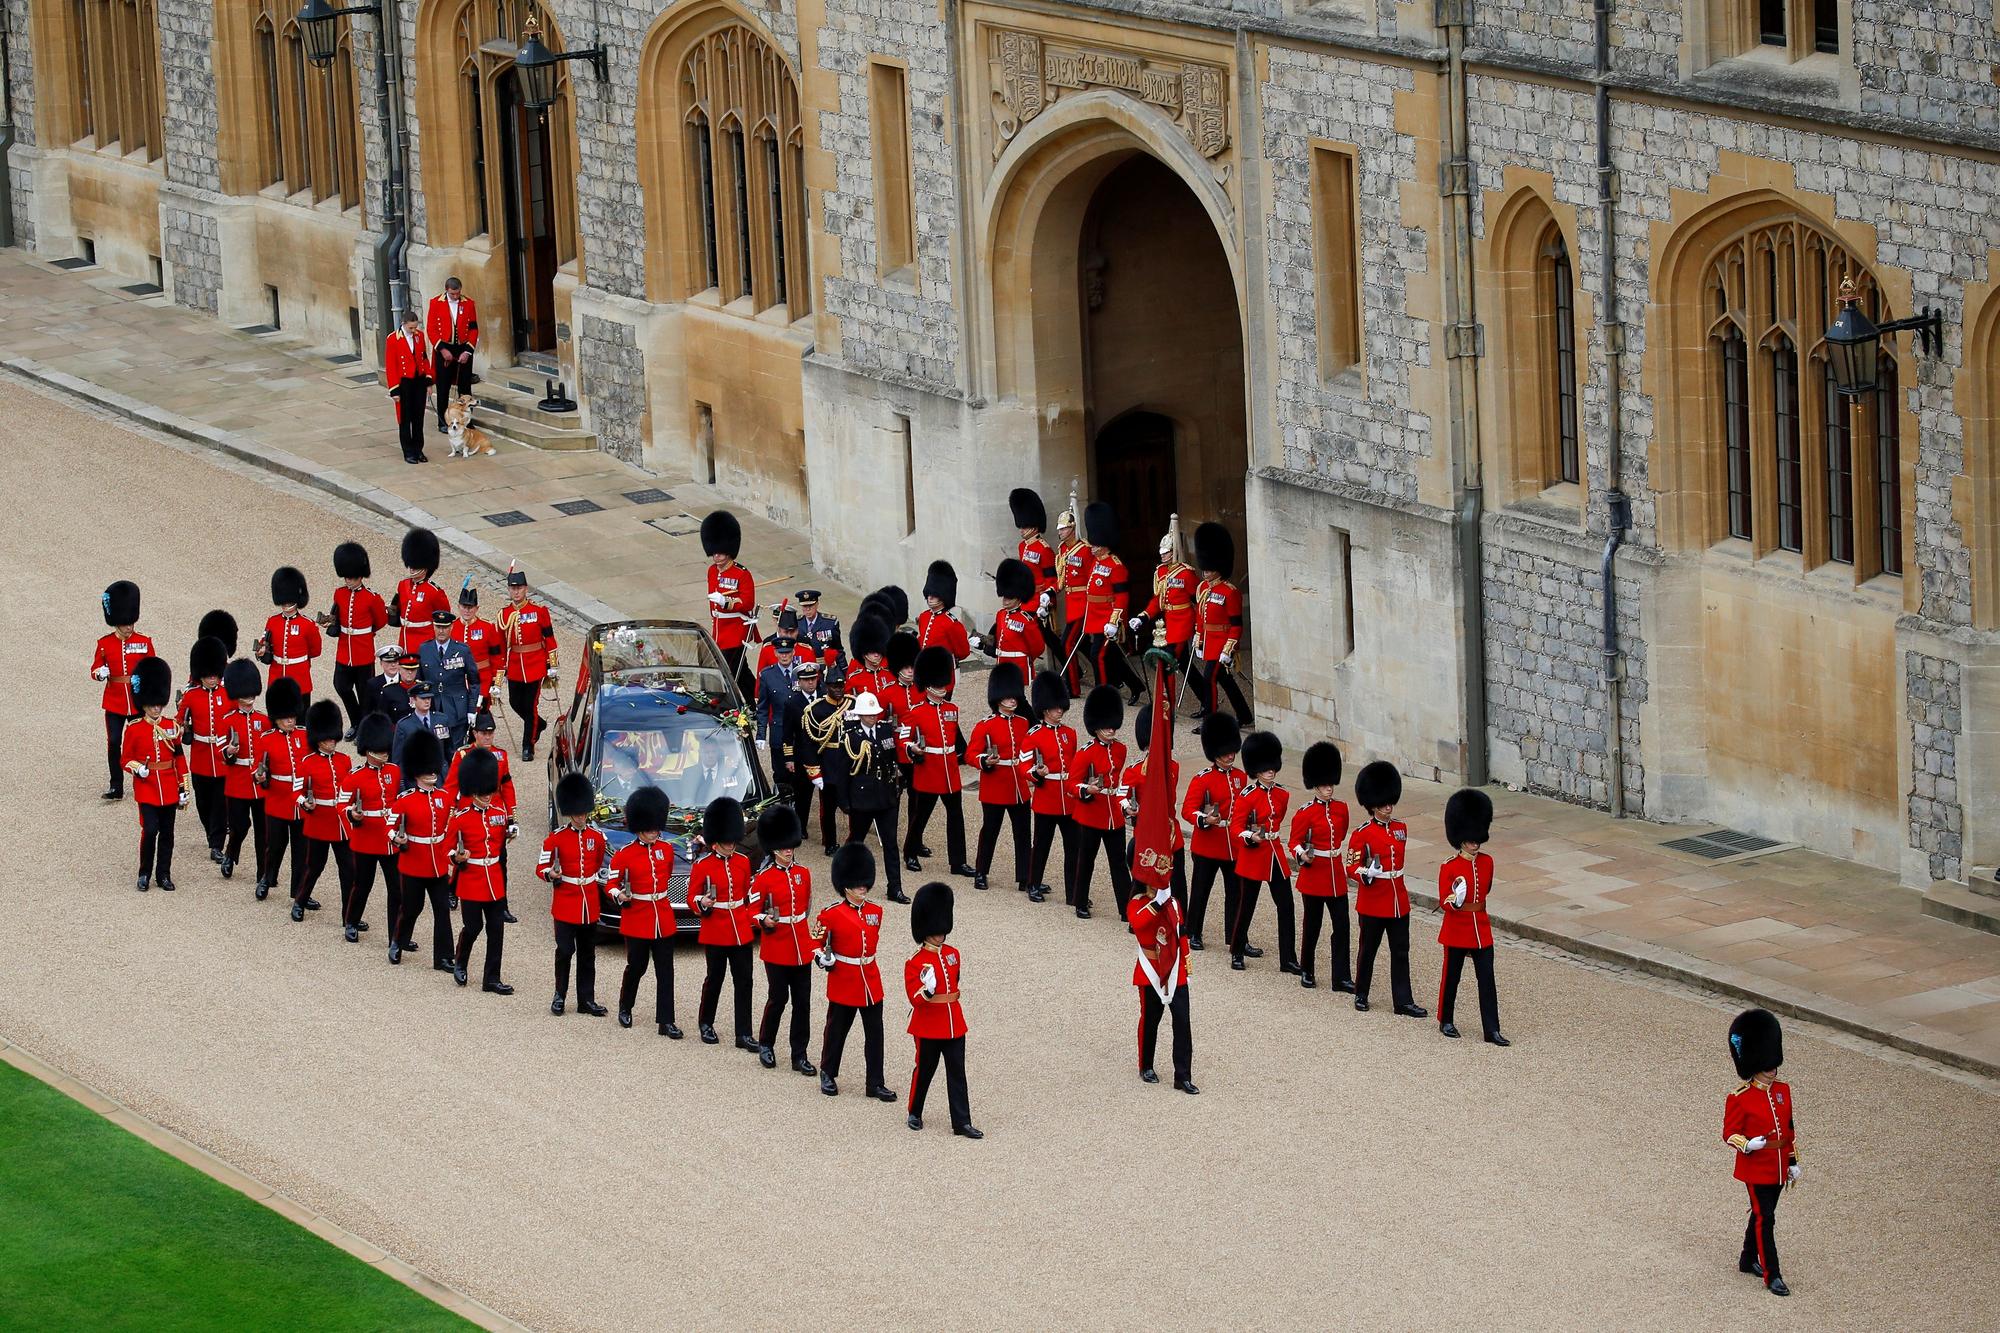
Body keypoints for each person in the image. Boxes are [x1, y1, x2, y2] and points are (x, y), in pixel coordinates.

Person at [1724, 1008, 1799, 1297]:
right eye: (1767, 1064)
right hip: (1755, 1168)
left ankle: (1746, 1258)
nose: (1772, 1068)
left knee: (1760, 1214)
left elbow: (1788, 1130)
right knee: (1766, 1219)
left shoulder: (1783, 1090)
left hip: (1778, 1166)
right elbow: (1729, 1132)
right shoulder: (1739, 1098)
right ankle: (1772, 1274)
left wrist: (1792, 1162)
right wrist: (1748, 1144)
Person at [1344, 760, 1426, 1018]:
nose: (1389, 808)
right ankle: (1361, 993)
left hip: (1397, 899)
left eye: (1390, 803)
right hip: (1373, 900)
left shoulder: (1401, 828)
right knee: (1368, 949)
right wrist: (1365, 873)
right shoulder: (1362, 834)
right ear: (1372, 805)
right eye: (1383, 804)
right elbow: (1350, 866)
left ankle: (1403, 1001)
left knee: (1401, 952)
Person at [815, 843, 896, 1103]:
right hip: (844, 979)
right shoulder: (830, 915)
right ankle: (828, 1072)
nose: (863, 887)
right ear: (845, 884)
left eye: (865, 883)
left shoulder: (876, 911)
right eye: (858, 883)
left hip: (870, 980)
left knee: (875, 1035)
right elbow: (814, 943)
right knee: (836, 1030)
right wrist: (823, 958)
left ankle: (875, 1082)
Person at [905, 882, 980, 1138]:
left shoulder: (953, 954)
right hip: (928, 1024)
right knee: (924, 1070)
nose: (940, 934)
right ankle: (914, 1110)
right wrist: (926, 991)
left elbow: (954, 983)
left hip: (954, 1022)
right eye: (935, 930)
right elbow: (915, 999)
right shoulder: (915, 962)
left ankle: (962, 1122)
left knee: (957, 1073)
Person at [609, 785, 682, 1037]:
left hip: (661, 915)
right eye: (649, 828)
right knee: (636, 966)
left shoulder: (667, 849)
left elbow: (666, 875)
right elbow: (611, 884)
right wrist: (620, 895)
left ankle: (666, 1021)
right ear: (640, 827)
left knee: (666, 971)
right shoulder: (624, 855)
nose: (654, 831)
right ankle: (625, 1006)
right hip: (637, 916)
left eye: (656, 827)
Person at [753, 803, 820, 1073]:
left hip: (800, 946)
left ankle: (799, 1054)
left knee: (802, 1003)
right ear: (773, 848)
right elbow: (751, 910)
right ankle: (766, 1044)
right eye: (783, 847)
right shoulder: (763, 878)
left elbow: (805, 910)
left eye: (790, 846)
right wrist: (763, 921)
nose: (788, 851)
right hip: (777, 946)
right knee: (778, 999)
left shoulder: (803, 874)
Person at [1437, 787, 1507, 1044]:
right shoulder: (1449, 867)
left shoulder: (1487, 862)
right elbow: (1445, 900)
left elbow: (1485, 890)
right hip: (1457, 926)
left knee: (1487, 980)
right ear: (1460, 838)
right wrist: (1455, 901)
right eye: (1470, 839)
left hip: (1481, 927)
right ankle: (1445, 1019)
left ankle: (1492, 1029)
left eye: (1477, 838)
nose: (1475, 843)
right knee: (1451, 977)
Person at [1226, 731, 1298, 975]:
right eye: (1265, 767)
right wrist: (1250, 837)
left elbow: (1277, 821)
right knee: (1246, 906)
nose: (1270, 771)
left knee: (1286, 906)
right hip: (1253, 856)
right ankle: (1237, 950)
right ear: (1255, 769)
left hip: (1275, 855)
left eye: (1272, 766)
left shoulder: (1282, 794)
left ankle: (1288, 958)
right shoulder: (1247, 797)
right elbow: (1236, 827)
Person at [689, 797, 758, 1050]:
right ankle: (706, 1023)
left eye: (732, 841)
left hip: (739, 927)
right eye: (727, 841)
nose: (731, 845)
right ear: (715, 841)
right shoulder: (702, 865)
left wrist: (751, 918)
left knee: (744, 981)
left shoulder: (742, 861)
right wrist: (703, 902)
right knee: (714, 979)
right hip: (716, 928)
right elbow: (692, 898)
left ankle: (744, 1033)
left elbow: (747, 894)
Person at [899, 646, 972, 883]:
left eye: (944, 683)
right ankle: (910, 853)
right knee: (921, 816)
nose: (943, 688)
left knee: (956, 816)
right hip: (929, 770)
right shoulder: (916, 711)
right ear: (928, 684)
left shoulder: (952, 710)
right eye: (939, 684)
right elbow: (903, 738)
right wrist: (912, 749)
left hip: (949, 770)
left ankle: (958, 861)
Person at [540, 772, 610, 1016]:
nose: (581, 817)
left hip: (588, 902)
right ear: (570, 812)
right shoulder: (555, 839)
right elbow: (542, 868)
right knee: (565, 951)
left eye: (584, 813)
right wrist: (551, 874)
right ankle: (560, 995)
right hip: (566, 902)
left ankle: (586, 1000)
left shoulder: (596, 837)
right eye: (577, 813)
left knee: (587, 954)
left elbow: (598, 861)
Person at [447, 746, 515, 993]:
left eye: (490, 792)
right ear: (473, 791)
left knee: (496, 930)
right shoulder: (461, 817)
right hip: (472, 879)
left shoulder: (498, 813)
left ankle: (492, 978)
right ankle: (460, 962)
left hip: (494, 879)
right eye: (484, 793)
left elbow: (499, 841)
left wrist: (510, 832)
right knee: (473, 927)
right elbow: (449, 847)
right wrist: (458, 857)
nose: (488, 796)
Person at [387, 729, 453, 968]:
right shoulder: (405, 800)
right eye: (427, 770)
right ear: (417, 773)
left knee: (442, 911)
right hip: (413, 862)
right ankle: (398, 941)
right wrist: (397, 839)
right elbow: (390, 825)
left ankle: (444, 957)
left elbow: (450, 828)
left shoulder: (444, 797)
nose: (432, 774)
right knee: (411, 908)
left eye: (433, 769)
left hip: (437, 863)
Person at [1291, 742, 1353, 993]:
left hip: (1335, 874)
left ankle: (1341, 977)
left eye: (1331, 785)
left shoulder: (1341, 809)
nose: (1329, 789)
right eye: (1325, 785)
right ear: (1315, 785)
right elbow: (1294, 841)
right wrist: (1301, 855)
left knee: (1342, 927)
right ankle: (1307, 969)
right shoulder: (1305, 813)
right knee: (1312, 926)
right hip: (1314, 874)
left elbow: (1341, 834)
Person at [1181, 714, 1246, 953]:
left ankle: (1235, 937)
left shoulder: (1239, 777)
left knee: (1236, 895)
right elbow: (1188, 810)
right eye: (1226, 752)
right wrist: (1204, 820)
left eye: (1232, 751)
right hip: (1208, 844)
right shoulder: (1203, 779)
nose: (1230, 755)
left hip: (1233, 845)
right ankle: (1193, 932)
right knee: (1200, 892)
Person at [1066, 685, 1131, 921]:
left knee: (1119, 864)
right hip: (1090, 814)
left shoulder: (1121, 749)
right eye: (1106, 726)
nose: (1111, 729)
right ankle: (1080, 902)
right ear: (1096, 727)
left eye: (1113, 725)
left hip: (1113, 813)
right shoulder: (1085, 753)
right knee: (1086, 862)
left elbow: (1117, 782)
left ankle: (1125, 908)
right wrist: (1087, 789)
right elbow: (1071, 784)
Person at [121, 657, 187, 891]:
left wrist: (184, 789)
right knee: (150, 830)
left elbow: (179, 758)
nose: (157, 708)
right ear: (145, 703)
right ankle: (144, 873)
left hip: (169, 788)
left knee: (167, 834)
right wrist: (138, 768)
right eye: (153, 704)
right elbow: (125, 759)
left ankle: (164, 875)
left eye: (159, 704)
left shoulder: (171, 727)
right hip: (147, 788)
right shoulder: (135, 729)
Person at [835, 691, 907, 904]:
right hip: (862, 796)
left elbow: (893, 759)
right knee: (856, 843)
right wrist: (844, 800)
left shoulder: (885, 729)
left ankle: (895, 888)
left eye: (874, 713)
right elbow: (843, 770)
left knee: (891, 844)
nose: (872, 717)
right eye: (868, 714)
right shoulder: (850, 735)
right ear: (860, 715)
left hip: (885, 795)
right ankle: (847, 881)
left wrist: (898, 785)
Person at [446, 710, 517, 921]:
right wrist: (451, 814)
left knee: (499, 860)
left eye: (490, 732)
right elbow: (451, 786)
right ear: (474, 733)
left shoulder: (501, 756)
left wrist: (512, 818)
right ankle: (452, 889)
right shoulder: (462, 755)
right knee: (464, 856)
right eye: (483, 733)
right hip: (469, 814)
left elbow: (506, 786)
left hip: (494, 815)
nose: (487, 736)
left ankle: (501, 903)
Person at [1129, 870, 1196, 1094]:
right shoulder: (1138, 903)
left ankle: (1183, 1076)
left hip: (1175, 969)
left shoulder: (1174, 903)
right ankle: (1146, 1065)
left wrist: (1186, 963)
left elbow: (1181, 933)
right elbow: (1138, 924)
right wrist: (1157, 904)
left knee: (1182, 1023)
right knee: (1150, 1021)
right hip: (1151, 970)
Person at [967, 663, 1032, 894]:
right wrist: (984, 760)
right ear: (997, 699)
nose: (1013, 700)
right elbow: (970, 754)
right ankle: (981, 871)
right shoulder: (986, 725)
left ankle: (1025, 876)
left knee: (1023, 833)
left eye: (1015, 696)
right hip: (995, 785)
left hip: (1019, 785)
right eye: (1008, 696)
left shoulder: (1023, 723)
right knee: (990, 831)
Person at [291, 701, 355, 928]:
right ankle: (299, 901)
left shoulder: (344, 761)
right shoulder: (307, 762)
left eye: (333, 739)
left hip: (341, 823)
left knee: (349, 871)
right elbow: (296, 792)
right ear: (318, 738)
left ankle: (349, 916)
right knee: (314, 867)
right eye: (327, 739)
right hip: (319, 820)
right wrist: (305, 804)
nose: (331, 743)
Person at [343, 712, 403, 946]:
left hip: (389, 838)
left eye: (385, 750)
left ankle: (395, 935)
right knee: (362, 885)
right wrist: (351, 814)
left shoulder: (394, 771)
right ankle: (351, 921)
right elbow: (342, 803)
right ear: (368, 751)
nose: (384, 754)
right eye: (379, 751)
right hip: (366, 837)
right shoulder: (354, 776)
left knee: (396, 890)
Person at [1077, 503, 1146, 703]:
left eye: (1096, 543)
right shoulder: (1096, 562)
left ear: (1105, 543)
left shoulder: (1116, 567)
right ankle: (1135, 685)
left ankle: (1103, 696)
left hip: (1108, 618)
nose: (1093, 546)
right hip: (1095, 617)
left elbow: (1122, 598)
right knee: (1111, 657)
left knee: (1097, 655)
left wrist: (1114, 620)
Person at [92, 580, 154, 800]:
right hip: (115, 701)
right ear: (116, 622)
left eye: (131, 623)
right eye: (125, 623)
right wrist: (100, 672)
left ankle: (145, 780)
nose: (129, 627)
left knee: (142, 742)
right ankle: (116, 785)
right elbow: (94, 669)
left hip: (137, 700)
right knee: (114, 742)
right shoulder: (104, 643)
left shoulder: (144, 641)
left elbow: (152, 669)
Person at [180, 624, 235, 868]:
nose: (212, 678)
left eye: (215, 673)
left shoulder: (229, 693)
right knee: (203, 801)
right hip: (201, 755)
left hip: (222, 757)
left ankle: (216, 844)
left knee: (220, 803)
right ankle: (212, 832)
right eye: (208, 674)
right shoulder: (191, 696)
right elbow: (179, 721)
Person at [1123, 704, 1185, 911]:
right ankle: (1138, 915)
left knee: (1177, 881)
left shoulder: (1173, 767)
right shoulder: (1134, 771)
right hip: (1148, 834)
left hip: (1170, 834)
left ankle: (1178, 918)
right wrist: (1129, 809)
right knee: (1143, 878)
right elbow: (1122, 797)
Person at [1022, 671, 1077, 906]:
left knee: (1073, 848)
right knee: (1041, 846)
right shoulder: (1034, 735)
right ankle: (1033, 884)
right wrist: (1036, 774)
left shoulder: (1069, 734)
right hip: (1046, 798)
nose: (1059, 711)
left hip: (1068, 798)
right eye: (1055, 707)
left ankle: (1073, 890)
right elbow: (1024, 766)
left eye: (1060, 707)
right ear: (1045, 709)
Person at [253, 678, 308, 903]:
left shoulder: (305, 736)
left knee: (301, 851)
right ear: (276, 718)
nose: (290, 721)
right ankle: (267, 878)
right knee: (274, 846)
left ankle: (299, 892)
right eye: (286, 717)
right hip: (278, 799)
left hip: (300, 803)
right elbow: (256, 768)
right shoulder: (266, 739)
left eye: (293, 716)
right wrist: (259, 776)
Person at [1191, 523, 1252, 725]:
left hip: (1222, 644)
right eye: (1205, 568)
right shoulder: (1202, 588)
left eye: (1209, 569)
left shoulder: (1230, 592)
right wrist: (1199, 639)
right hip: (1209, 643)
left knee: (1209, 679)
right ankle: (1244, 715)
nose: (1205, 572)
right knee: (1225, 680)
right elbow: (1201, 617)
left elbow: (1236, 625)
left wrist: (1228, 649)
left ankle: (1211, 720)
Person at [325, 541, 387, 737]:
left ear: (360, 575)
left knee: (365, 693)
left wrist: (365, 633)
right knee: (340, 685)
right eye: (346, 577)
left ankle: (364, 727)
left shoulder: (372, 598)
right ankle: (356, 721)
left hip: (363, 650)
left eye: (351, 577)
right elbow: (338, 616)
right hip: (345, 649)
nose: (348, 581)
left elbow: (380, 621)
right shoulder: (339, 593)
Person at [497, 565, 557, 761]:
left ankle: (527, 746)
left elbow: (549, 638)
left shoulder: (538, 611)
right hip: (515, 665)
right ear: (509, 590)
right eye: (513, 588)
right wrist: (500, 671)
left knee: (530, 706)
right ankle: (537, 724)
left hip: (535, 664)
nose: (516, 592)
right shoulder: (504, 614)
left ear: (526, 589)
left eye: (519, 588)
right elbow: (500, 646)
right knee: (515, 702)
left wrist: (553, 664)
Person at [218, 658, 269, 882]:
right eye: (245, 694)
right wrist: (230, 750)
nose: (249, 698)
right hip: (238, 781)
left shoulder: (264, 721)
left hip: (260, 782)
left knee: (263, 832)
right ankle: (231, 852)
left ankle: (263, 873)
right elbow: (221, 750)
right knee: (239, 826)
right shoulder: (227, 720)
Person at [778, 660, 836, 852]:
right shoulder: (792, 702)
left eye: (813, 679)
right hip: (803, 756)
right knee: (803, 795)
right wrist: (789, 758)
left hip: (826, 754)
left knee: (827, 796)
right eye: (806, 680)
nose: (811, 683)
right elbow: (787, 733)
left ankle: (828, 834)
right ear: (799, 682)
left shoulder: (825, 698)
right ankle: (801, 827)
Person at [702, 510, 757, 696]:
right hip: (719, 627)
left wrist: (726, 601)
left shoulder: (742, 574)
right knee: (739, 672)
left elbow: (748, 602)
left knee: (730, 671)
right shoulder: (711, 571)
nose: (716, 556)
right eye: (714, 552)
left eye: (720, 552)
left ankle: (741, 702)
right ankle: (754, 699)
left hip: (735, 630)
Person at [258, 566, 323, 714]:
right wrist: (262, 650)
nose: (286, 605)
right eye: (284, 601)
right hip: (277, 675)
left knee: (300, 722)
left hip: (299, 677)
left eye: (289, 601)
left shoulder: (307, 624)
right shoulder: (272, 622)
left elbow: (315, 650)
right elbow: (264, 641)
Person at [418, 608, 479, 752]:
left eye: (445, 627)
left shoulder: (462, 650)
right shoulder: (424, 649)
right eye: (438, 627)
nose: (441, 631)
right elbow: (419, 680)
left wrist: (472, 709)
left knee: (455, 750)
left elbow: (474, 681)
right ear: (433, 627)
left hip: (456, 708)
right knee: (434, 749)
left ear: (451, 627)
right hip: (432, 707)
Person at [1137, 531, 1198, 670]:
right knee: (1181, 664)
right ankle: (1200, 691)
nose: (1162, 554)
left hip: (1183, 622)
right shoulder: (1160, 571)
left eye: (1166, 552)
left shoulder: (1186, 573)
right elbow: (1158, 600)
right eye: (1161, 552)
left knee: (1168, 660)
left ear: (1174, 551)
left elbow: (1198, 602)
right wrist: (1144, 616)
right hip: (1167, 622)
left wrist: (1199, 631)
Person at [426, 276, 478, 428]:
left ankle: (467, 420)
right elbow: (431, 329)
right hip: (444, 348)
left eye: (458, 293)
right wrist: (442, 349)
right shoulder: (435, 303)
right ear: (446, 290)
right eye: (452, 294)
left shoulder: (469, 303)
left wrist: (468, 351)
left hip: (463, 348)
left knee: (465, 386)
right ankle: (443, 421)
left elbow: (474, 329)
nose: (456, 297)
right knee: (443, 386)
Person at [986, 558, 1046, 688]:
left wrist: (1025, 658)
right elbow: (998, 639)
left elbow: (1038, 647)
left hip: (1019, 664)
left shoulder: (1026, 619)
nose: (1005, 601)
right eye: (1004, 597)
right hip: (1002, 662)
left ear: (1018, 598)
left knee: (1017, 698)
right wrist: (983, 644)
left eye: (1009, 597)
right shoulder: (1001, 615)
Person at [390, 528, 450, 656]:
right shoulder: (403, 585)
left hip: (424, 645)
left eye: (416, 565)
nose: (412, 568)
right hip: (404, 641)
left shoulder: (434, 592)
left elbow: (443, 622)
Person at [756, 634, 809, 777]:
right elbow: (763, 707)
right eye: (781, 653)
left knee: (800, 776)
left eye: (787, 652)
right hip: (778, 732)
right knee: (780, 773)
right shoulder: (767, 675)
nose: (784, 656)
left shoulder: (803, 673)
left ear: (794, 652)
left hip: (800, 733)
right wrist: (761, 734)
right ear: (775, 653)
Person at [1009, 488, 1057, 644]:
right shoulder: (1022, 546)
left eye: (1024, 526)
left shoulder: (1045, 549)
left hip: (1038, 602)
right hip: (1025, 600)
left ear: (1034, 527)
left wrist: (1047, 602)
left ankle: (1072, 668)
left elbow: (1051, 579)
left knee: (1050, 641)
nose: (1021, 530)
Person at [385, 310, 434, 464]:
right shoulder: (393, 339)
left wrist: (428, 381)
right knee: (405, 419)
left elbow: (424, 359)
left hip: (418, 381)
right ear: (404, 324)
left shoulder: (419, 336)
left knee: (418, 418)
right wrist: (394, 390)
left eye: (415, 327)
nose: (414, 331)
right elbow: (391, 366)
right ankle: (408, 451)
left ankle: (418, 449)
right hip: (404, 383)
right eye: (411, 328)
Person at [916, 562, 973, 692]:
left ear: (943, 596)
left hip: (942, 674)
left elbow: (962, 651)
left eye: (934, 595)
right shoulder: (924, 617)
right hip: (924, 671)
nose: (930, 598)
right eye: (929, 594)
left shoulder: (951, 623)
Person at [1055, 509, 1090, 694]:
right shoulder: (1063, 549)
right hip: (1071, 603)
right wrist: (1051, 591)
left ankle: (1073, 687)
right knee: (1085, 645)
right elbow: (1061, 579)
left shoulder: (1085, 549)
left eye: (1063, 529)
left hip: (1084, 603)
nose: (1060, 532)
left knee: (1067, 643)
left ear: (1072, 528)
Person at [450, 581, 503, 702]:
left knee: (480, 715)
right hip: (457, 680)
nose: (467, 610)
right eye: (464, 607)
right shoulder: (451, 627)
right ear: (458, 606)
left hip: (482, 679)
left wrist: (497, 683)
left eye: (470, 607)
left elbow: (497, 657)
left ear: (477, 608)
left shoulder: (487, 627)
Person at [391, 679, 449, 782]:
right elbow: (398, 759)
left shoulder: (442, 719)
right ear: (413, 700)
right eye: (423, 698)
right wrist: (402, 785)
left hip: (441, 777)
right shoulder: (404, 725)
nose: (427, 701)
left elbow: (449, 751)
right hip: (417, 778)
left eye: (429, 698)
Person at [843, 614, 895, 709]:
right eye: (872, 652)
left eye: (879, 651)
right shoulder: (854, 679)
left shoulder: (890, 675)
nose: (877, 655)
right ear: (864, 654)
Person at [793, 589, 843, 662]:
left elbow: (838, 649)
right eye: (804, 606)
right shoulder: (796, 623)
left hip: (825, 666)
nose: (808, 609)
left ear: (817, 604)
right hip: (804, 665)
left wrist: (844, 670)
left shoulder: (829, 623)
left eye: (811, 605)